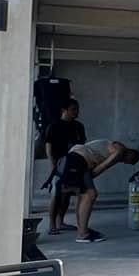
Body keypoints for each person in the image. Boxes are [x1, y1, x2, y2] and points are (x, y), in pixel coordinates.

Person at [59, 138, 139, 242]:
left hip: (77, 161)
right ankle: (82, 234)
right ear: (130, 153)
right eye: (130, 161)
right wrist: (88, 178)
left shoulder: (114, 149)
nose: (126, 163)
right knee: (90, 195)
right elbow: (102, 167)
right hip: (78, 160)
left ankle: (82, 230)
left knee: (84, 195)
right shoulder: (119, 150)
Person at [44, 98, 86, 233]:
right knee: (56, 194)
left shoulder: (79, 126)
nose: (76, 112)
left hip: (74, 163)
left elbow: (83, 146)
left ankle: (60, 222)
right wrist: (52, 165)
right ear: (64, 110)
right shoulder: (54, 126)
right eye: (73, 109)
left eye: (77, 109)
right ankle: (52, 225)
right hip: (59, 164)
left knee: (67, 194)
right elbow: (49, 148)